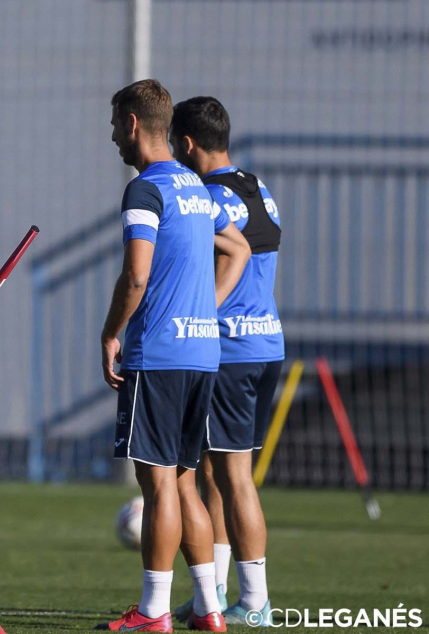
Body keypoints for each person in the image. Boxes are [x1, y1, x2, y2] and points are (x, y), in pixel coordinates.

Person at [96, 80, 250, 633]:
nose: (114, 137)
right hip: (202, 354)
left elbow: (136, 274)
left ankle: (153, 612)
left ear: (133, 124)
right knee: (186, 482)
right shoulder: (196, 186)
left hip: (159, 355)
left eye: (116, 125)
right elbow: (238, 249)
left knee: (159, 484)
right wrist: (204, 309)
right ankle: (210, 609)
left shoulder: (147, 189)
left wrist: (111, 332)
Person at [170, 96, 283, 627]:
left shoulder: (205, 196)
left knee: (231, 476)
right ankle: (210, 598)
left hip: (231, 347)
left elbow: (226, 262)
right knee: (218, 473)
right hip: (267, 343)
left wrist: (197, 315)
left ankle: (255, 601)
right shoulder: (258, 188)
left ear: (186, 144)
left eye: (175, 144)